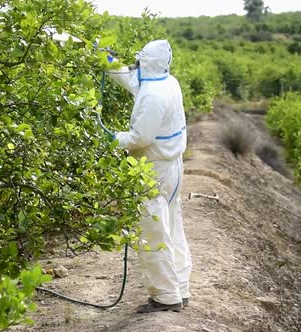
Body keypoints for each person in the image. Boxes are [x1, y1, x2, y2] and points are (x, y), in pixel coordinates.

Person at [106, 40, 192, 313]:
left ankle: (166, 296)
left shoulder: (153, 95)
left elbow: (139, 138)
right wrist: (105, 61)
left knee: (152, 230)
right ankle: (181, 287)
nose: (136, 66)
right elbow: (132, 80)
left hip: (154, 169)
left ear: (146, 63)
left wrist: (109, 138)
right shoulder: (168, 82)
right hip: (173, 166)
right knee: (173, 227)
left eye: (139, 61)